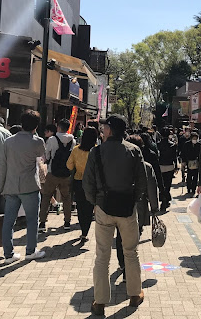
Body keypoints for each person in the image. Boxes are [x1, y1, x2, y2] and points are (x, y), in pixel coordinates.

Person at [83, 114, 147, 316]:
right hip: (127, 208)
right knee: (131, 252)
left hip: (103, 206)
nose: (102, 131)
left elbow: (87, 182)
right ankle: (135, 294)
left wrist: (95, 202)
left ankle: (100, 302)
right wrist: (133, 200)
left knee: (102, 255)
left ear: (110, 130)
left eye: (104, 128)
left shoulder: (96, 152)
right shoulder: (134, 151)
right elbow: (142, 182)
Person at [0, 109, 46, 263]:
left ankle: (8, 254)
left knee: (9, 221)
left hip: (11, 185)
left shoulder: (9, 141)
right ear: (36, 126)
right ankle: (31, 250)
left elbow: (3, 166)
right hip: (30, 186)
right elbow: (41, 162)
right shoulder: (38, 142)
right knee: (32, 220)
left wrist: (1, 186)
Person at [115, 134, 160, 283]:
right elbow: (152, 190)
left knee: (120, 237)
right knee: (133, 240)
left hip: (119, 206)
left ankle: (123, 264)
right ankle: (128, 267)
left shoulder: (118, 164)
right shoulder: (146, 167)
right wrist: (154, 208)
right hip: (138, 210)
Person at [39, 119, 75, 232]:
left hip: (53, 172)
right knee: (66, 197)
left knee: (47, 196)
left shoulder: (52, 139)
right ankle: (67, 222)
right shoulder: (72, 140)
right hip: (66, 173)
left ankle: (42, 223)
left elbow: (47, 155)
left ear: (58, 127)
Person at [66, 126, 98, 243]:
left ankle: (82, 229)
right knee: (89, 207)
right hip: (92, 182)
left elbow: (69, 165)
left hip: (78, 180)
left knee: (80, 206)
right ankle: (85, 232)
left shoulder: (76, 150)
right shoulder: (97, 150)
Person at [158, 127, 178, 211]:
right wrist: (176, 166)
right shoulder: (172, 145)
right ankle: (166, 197)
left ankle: (163, 199)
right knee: (168, 184)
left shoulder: (158, 144)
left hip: (161, 166)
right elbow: (174, 157)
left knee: (161, 185)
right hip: (170, 166)